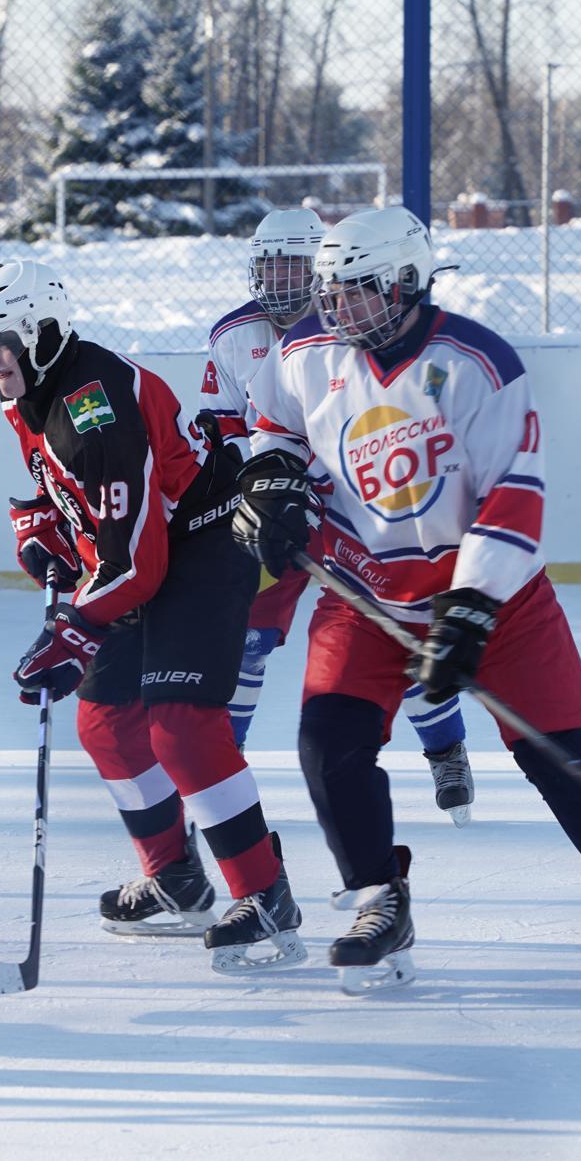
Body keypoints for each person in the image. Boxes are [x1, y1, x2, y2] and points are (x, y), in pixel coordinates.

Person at [234, 207, 581, 993]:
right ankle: (380, 898)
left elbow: (512, 496)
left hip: (495, 600)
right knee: (327, 745)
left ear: (407, 282)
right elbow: (273, 425)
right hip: (364, 592)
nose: (338, 309)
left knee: (567, 756)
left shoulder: (478, 363)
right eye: (331, 292)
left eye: (356, 292)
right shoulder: (307, 352)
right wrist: (271, 479)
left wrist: (474, 603)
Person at [0, 260, 306, 975]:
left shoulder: (98, 410)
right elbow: (60, 488)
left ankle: (265, 894)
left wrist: (73, 631)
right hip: (145, 551)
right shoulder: (31, 385)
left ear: (43, 334)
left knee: (179, 722)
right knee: (106, 724)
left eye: (1, 342)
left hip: (205, 545)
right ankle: (175, 879)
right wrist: (41, 529)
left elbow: (137, 565)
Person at [195, 207, 475, 824]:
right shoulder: (233, 334)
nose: (279, 278)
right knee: (246, 642)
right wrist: (254, 484)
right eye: (269, 263)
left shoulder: (359, 327)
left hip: (352, 515)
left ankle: (446, 748)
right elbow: (221, 424)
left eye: (293, 263)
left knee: (392, 637)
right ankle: (218, 770)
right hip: (276, 510)